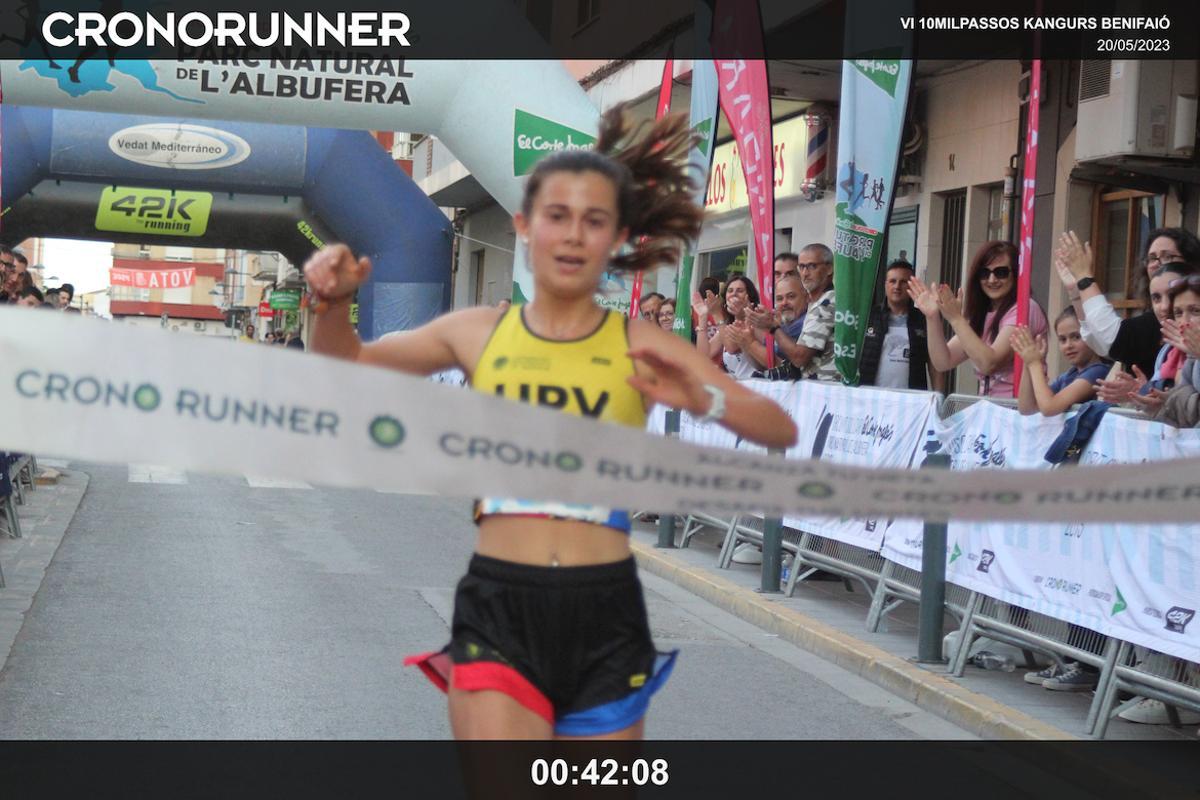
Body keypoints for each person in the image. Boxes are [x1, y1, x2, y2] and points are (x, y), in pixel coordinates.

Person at [304, 104, 797, 741]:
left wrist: (708, 400)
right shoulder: (479, 331)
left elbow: (779, 429)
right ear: (524, 228)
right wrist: (333, 302)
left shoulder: (641, 342)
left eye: (593, 222)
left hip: (606, 610)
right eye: (556, 218)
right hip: (500, 607)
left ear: (617, 238)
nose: (571, 236)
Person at [1057, 228, 1200, 380]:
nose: (1157, 264)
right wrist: (1076, 292)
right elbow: (1098, 341)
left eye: (1167, 256)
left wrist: (1084, 277)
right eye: (1152, 258)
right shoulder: (1155, 318)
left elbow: (1114, 339)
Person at [910, 241, 1048, 398]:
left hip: (1018, 412)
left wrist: (956, 318)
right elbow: (943, 362)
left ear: (1015, 274)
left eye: (1001, 272)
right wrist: (932, 317)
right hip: (988, 410)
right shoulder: (981, 313)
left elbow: (989, 363)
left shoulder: (1026, 308)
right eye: (984, 273)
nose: (991, 279)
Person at [1095, 261, 1197, 414]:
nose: (1164, 306)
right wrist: (1143, 391)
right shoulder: (1168, 352)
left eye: (1195, 311)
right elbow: (1175, 410)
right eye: (1178, 313)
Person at [858, 259, 941, 391]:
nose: (897, 286)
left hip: (911, 401)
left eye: (903, 282)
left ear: (911, 286)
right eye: (892, 281)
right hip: (871, 398)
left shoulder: (924, 319)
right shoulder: (869, 317)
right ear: (885, 284)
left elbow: (936, 364)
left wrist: (939, 396)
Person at [1012, 307, 1109, 416]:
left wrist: (1034, 363)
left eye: (1076, 337)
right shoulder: (1069, 376)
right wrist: (1028, 362)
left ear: (1092, 336)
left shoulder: (1099, 372)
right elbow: (1027, 409)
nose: (1068, 345)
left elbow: (1049, 407)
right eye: (1063, 339)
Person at [1153, 274, 1200, 428]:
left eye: (1195, 311)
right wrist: (1159, 404)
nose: (1184, 322)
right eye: (1178, 313)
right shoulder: (1183, 353)